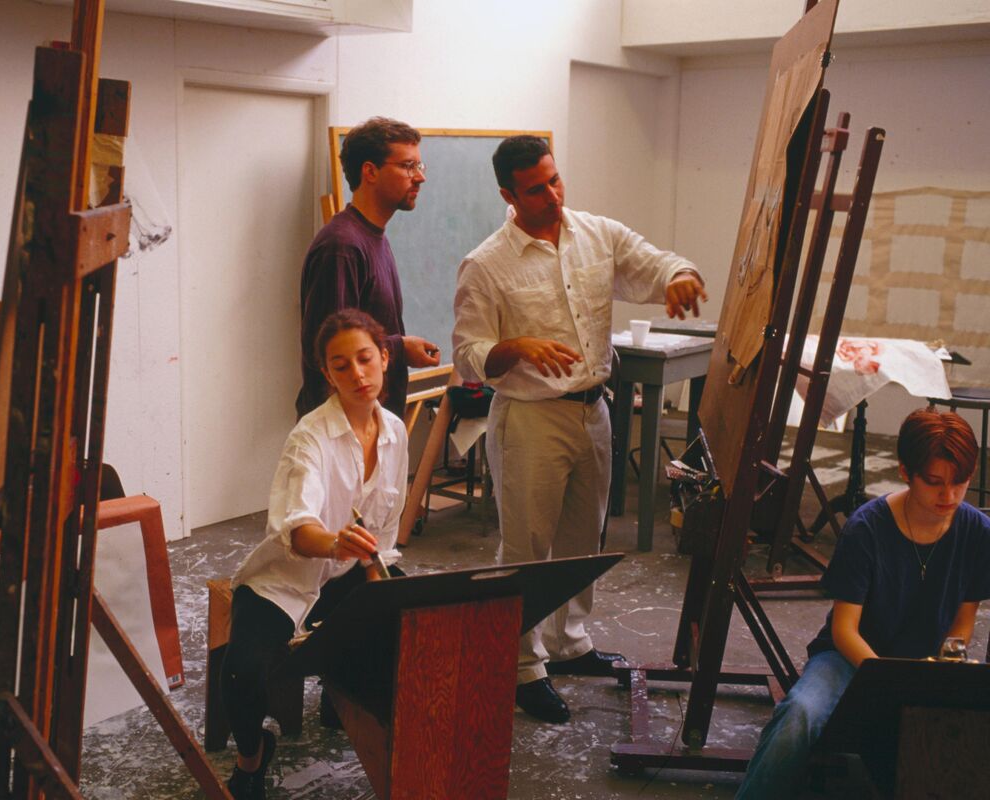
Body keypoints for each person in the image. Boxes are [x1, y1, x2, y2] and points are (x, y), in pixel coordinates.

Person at [451, 135, 708, 724]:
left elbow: (650, 260)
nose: (553, 195)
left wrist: (680, 274)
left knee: (581, 538)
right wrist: (510, 347)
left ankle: (569, 645)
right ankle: (520, 666)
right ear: (508, 195)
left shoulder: (596, 233)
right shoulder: (487, 263)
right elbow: (467, 354)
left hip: (593, 410)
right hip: (530, 420)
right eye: (536, 188)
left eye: (555, 179)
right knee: (526, 547)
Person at [736, 408, 990, 799]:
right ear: (906, 472)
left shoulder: (976, 531)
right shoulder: (866, 527)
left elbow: (963, 621)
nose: (949, 495)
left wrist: (943, 667)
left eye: (961, 482)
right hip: (848, 658)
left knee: (950, 745)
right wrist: (888, 684)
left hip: (924, 665)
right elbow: (844, 630)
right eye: (935, 482)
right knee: (800, 714)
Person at [224, 309, 409, 800]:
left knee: (414, 637)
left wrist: (381, 606)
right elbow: (298, 529)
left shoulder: (395, 431)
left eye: (365, 359)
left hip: (350, 573)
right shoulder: (309, 437)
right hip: (286, 579)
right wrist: (334, 541)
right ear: (326, 374)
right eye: (341, 365)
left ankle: (346, 699)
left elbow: (384, 537)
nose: (357, 374)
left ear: (385, 357)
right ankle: (252, 757)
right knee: (242, 674)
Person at [296, 116, 440, 421]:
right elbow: (326, 349)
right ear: (370, 172)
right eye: (407, 166)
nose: (419, 177)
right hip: (344, 431)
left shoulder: (374, 235)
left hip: (372, 424)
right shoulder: (342, 246)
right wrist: (400, 347)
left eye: (419, 166)